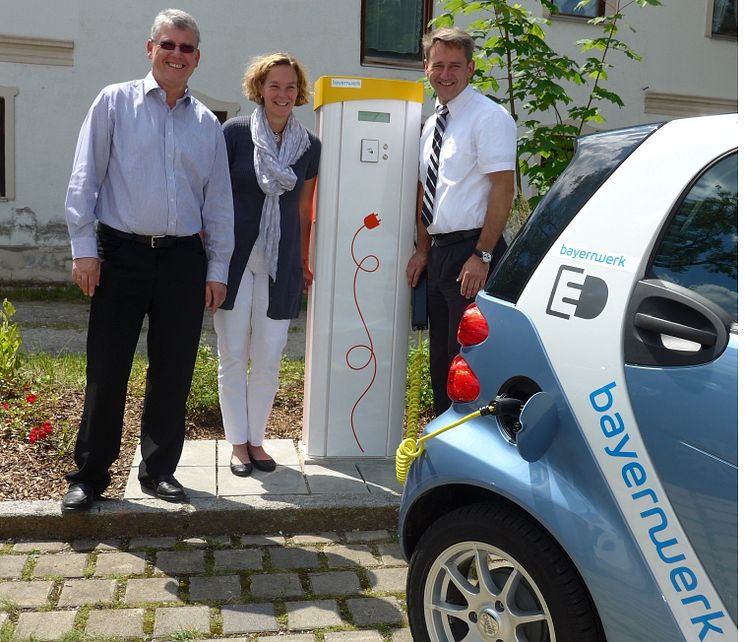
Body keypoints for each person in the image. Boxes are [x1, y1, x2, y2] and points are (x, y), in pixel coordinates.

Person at [62, 9, 234, 511]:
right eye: (168, 45)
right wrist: (84, 250)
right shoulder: (114, 102)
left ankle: (158, 471)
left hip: (183, 260)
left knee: (174, 370)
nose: (176, 54)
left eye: (186, 48)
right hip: (120, 254)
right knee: (107, 369)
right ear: (150, 49)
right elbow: (84, 178)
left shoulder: (206, 124)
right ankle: (91, 477)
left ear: (197, 58)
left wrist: (217, 269)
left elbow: (218, 203)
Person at [215, 53, 320, 477]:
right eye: (274, 86)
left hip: (282, 265)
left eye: (290, 87)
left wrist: (305, 260)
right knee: (233, 355)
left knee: (270, 356)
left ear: (299, 93)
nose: (282, 94)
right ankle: (237, 443)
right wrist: (211, 260)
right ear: (260, 88)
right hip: (235, 262)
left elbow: (305, 207)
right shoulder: (235, 133)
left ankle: (257, 440)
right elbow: (214, 198)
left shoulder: (310, 146)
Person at [406, 27, 517, 415]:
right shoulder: (432, 123)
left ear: (470, 68)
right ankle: (443, 438)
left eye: (455, 65)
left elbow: (504, 190)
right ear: (426, 67)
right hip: (439, 255)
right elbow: (425, 192)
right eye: (438, 65)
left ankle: (471, 449)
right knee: (441, 357)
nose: (445, 73)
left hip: (472, 253)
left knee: (467, 362)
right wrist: (422, 250)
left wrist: (482, 255)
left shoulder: (489, 118)